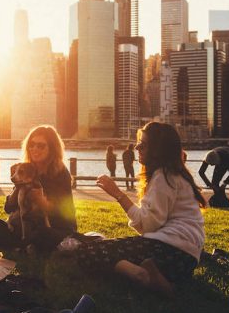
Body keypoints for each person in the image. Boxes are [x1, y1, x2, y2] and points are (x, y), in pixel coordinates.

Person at [73, 122, 206, 296]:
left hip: (169, 251)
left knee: (87, 252)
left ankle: (140, 275)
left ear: (157, 150)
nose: (136, 147)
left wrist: (118, 194)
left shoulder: (163, 177)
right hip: (185, 260)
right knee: (107, 249)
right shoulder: (175, 175)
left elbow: (147, 225)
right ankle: (156, 278)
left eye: (142, 145)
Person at [0, 125, 77, 250]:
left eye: (40, 146)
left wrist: (42, 202)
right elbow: (8, 208)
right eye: (31, 144)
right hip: (24, 226)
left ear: (52, 148)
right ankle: (22, 245)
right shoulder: (25, 170)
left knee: (42, 233)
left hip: (54, 227)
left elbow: (64, 213)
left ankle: (14, 244)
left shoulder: (61, 173)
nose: (34, 149)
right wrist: (16, 190)